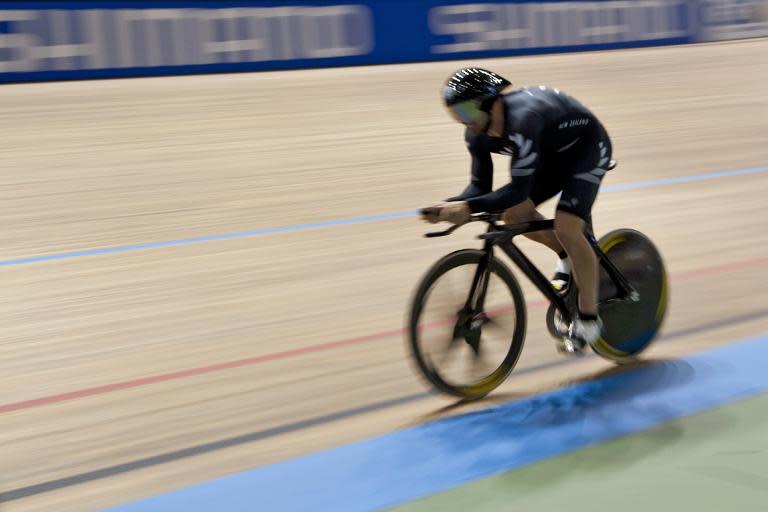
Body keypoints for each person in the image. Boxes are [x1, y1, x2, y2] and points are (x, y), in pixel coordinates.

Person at [421, 67, 614, 353]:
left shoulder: (524, 119)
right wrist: (451, 207)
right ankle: (567, 255)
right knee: (513, 215)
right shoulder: (476, 135)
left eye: (466, 112)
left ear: (490, 102)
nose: (464, 122)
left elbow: (517, 190)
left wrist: (467, 208)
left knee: (568, 226)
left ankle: (589, 319)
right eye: (456, 115)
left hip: (586, 149)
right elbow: (479, 189)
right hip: (550, 153)